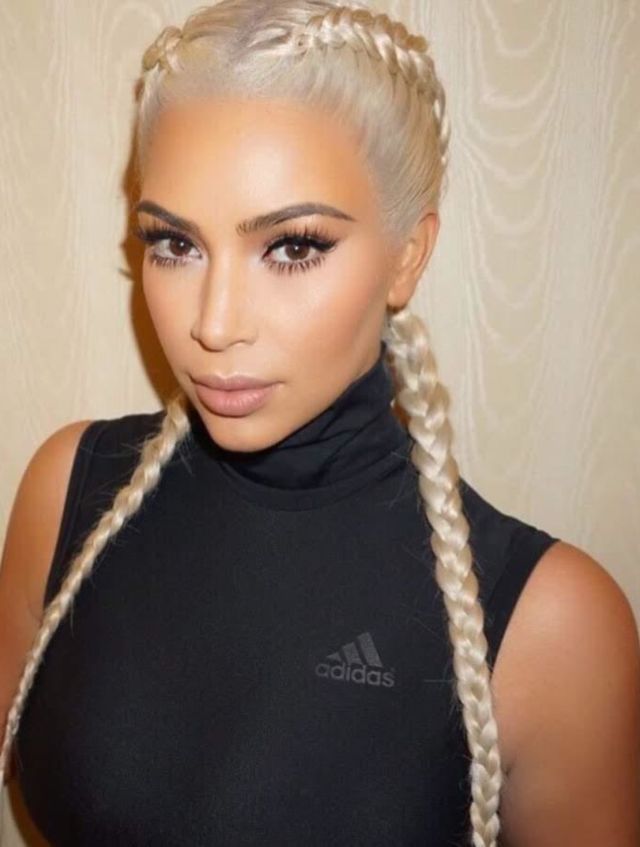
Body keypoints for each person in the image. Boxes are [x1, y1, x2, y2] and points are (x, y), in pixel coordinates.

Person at [1, 1, 639, 845]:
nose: (214, 324)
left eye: (293, 246)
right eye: (174, 244)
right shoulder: (67, 491)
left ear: (408, 255)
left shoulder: (551, 626)